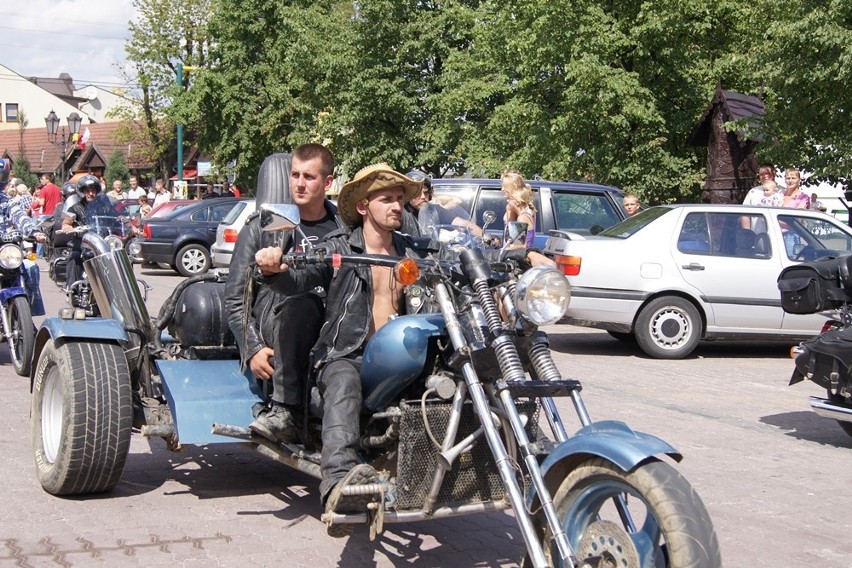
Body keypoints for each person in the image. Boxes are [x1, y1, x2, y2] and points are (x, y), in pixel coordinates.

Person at [255, 163, 553, 536]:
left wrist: (521, 257)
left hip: (401, 357)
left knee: (469, 365)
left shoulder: (414, 249)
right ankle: (339, 480)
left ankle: (530, 449)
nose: (397, 206)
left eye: (399, 199)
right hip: (348, 351)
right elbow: (298, 276)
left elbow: (461, 256)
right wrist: (274, 267)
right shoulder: (338, 249)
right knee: (343, 382)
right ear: (364, 206)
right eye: (387, 199)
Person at [226, 146, 346, 446]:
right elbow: (235, 298)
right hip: (279, 314)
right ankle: (285, 411)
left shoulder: (346, 228)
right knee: (302, 302)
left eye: (309, 176)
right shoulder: (262, 227)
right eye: (295, 175)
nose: (299, 183)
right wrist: (251, 348)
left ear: (327, 183)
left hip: (336, 320)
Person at [0, 158, 47, 316]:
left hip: (7, 252)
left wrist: (34, 232)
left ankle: (28, 316)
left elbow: (20, 217)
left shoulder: (7, 202)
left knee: (31, 268)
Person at [59, 175, 102, 287]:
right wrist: (67, 227)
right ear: (82, 192)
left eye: (93, 190)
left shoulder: (105, 205)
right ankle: (72, 288)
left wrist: (126, 223)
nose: (90, 193)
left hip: (101, 243)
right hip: (82, 243)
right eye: (87, 191)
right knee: (75, 256)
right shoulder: (75, 207)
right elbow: (66, 222)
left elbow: (117, 216)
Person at [404, 170, 475, 236]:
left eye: (426, 193)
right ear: (408, 194)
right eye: (418, 193)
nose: (423, 197)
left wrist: (484, 238)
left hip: (434, 248)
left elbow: (465, 224)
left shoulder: (433, 211)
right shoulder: (402, 213)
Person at [501, 169, 536, 247]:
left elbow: (518, 244)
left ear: (514, 187)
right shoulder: (527, 208)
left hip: (517, 256)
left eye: (505, 186)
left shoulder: (522, 215)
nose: (502, 189)